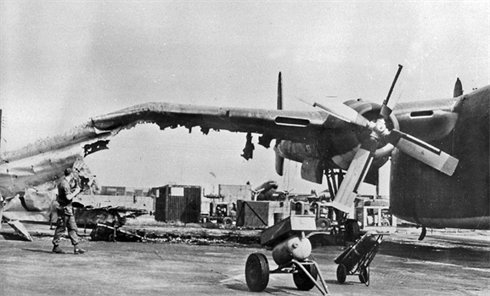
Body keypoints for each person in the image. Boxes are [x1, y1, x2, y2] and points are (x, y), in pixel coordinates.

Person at [52, 168, 86, 254]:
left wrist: (74, 191)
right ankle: (56, 247)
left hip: (67, 209)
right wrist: (76, 191)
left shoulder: (63, 183)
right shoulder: (65, 184)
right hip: (65, 210)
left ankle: (76, 247)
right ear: (71, 174)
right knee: (61, 228)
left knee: (72, 227)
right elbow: (68, 197)